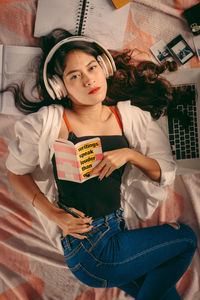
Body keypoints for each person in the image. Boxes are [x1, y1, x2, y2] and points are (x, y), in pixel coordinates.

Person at [4, 29, 197, 300]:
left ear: (104, 66)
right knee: (187, 239)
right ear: (61, 87)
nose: (88, 79)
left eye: (92, 67)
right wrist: (53, 213)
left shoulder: (131, 118)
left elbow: (164, 171)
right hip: (90, 249)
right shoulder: (49, 122)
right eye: (74, 76)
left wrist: (130, 154)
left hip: (114, 235)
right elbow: (15, 171)